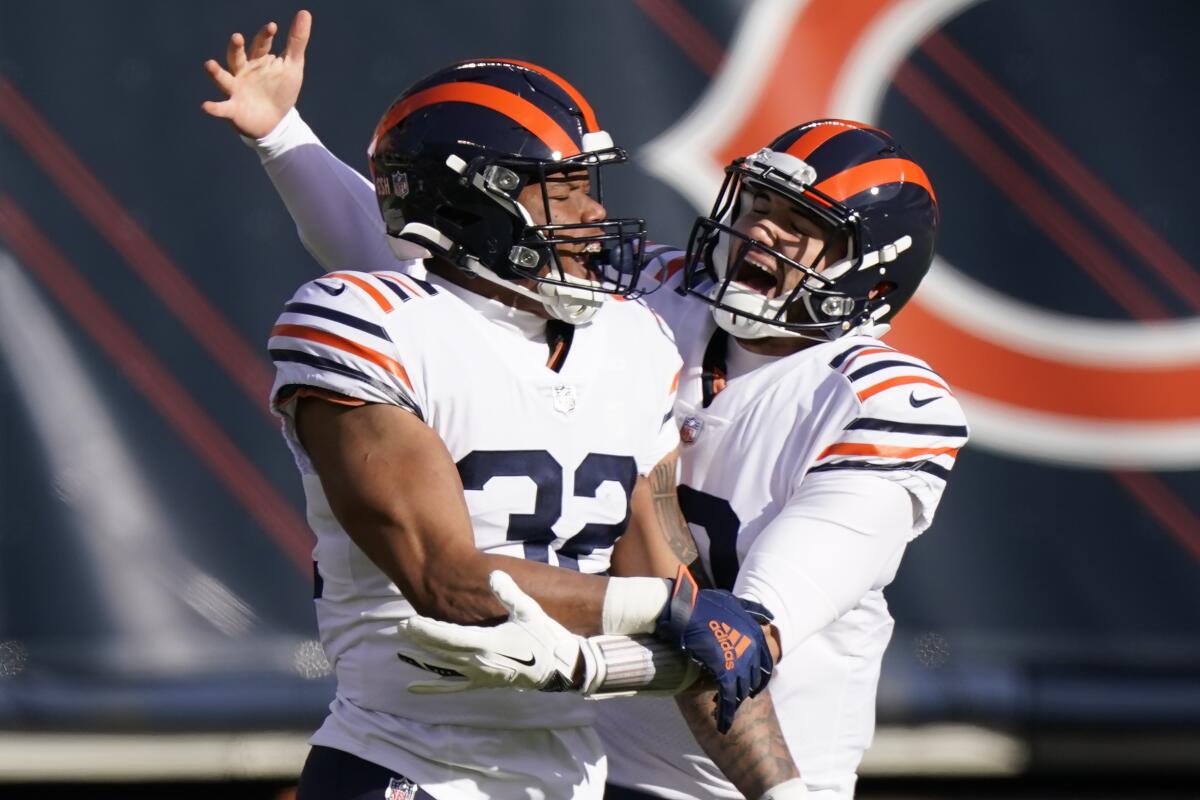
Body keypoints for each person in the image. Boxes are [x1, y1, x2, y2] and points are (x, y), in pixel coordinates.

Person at [202, 12, 808, 800]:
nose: (592, 215)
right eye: (559, 192)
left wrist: (786, 792)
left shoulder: (634, 342)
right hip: (408, 769)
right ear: (472, 205)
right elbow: (447, 581)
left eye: (588, 187)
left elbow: (686, 609)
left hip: (570, 774)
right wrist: (666, 611)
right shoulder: (362, 322)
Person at [407, 122, 969, 800]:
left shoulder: (883, 402)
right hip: (586, 766)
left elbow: (738, 642)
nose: (762, 234)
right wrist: (283, 142)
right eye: (759, 208)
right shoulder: (654, 294)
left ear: (872, 277)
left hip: (753, 785)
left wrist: (581, 663)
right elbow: (459, 254)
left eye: (800, 225)